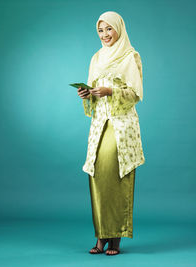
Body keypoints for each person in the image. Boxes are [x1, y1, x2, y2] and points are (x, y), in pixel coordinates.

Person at [77, 11, 145, 256]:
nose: (105, 35)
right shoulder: (96, 57)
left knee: (114, 176)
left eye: (109, 29)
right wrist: (88, 94)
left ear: (119, 29)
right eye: (100, 30)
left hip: (121, 127)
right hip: (99, 126)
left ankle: (116, 238)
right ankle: (100, 237)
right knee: (96, 177)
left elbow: (135, 93)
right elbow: (94, 93)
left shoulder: (130, 56)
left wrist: (111, 91)